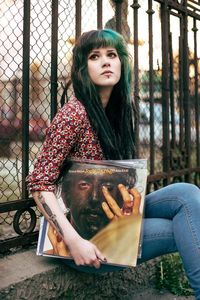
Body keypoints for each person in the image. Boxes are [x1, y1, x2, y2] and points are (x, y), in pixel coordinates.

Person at [27, 29, 200, 298]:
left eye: (112, 54)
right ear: (83, 69)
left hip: (114, 222)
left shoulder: (119, 112)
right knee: (185, 228)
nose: (106, 61)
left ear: (122, 63)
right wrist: (75, 242)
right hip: (83, 241)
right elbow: (40, 183)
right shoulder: (74, 114)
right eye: (95, 56)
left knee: (188, 194)